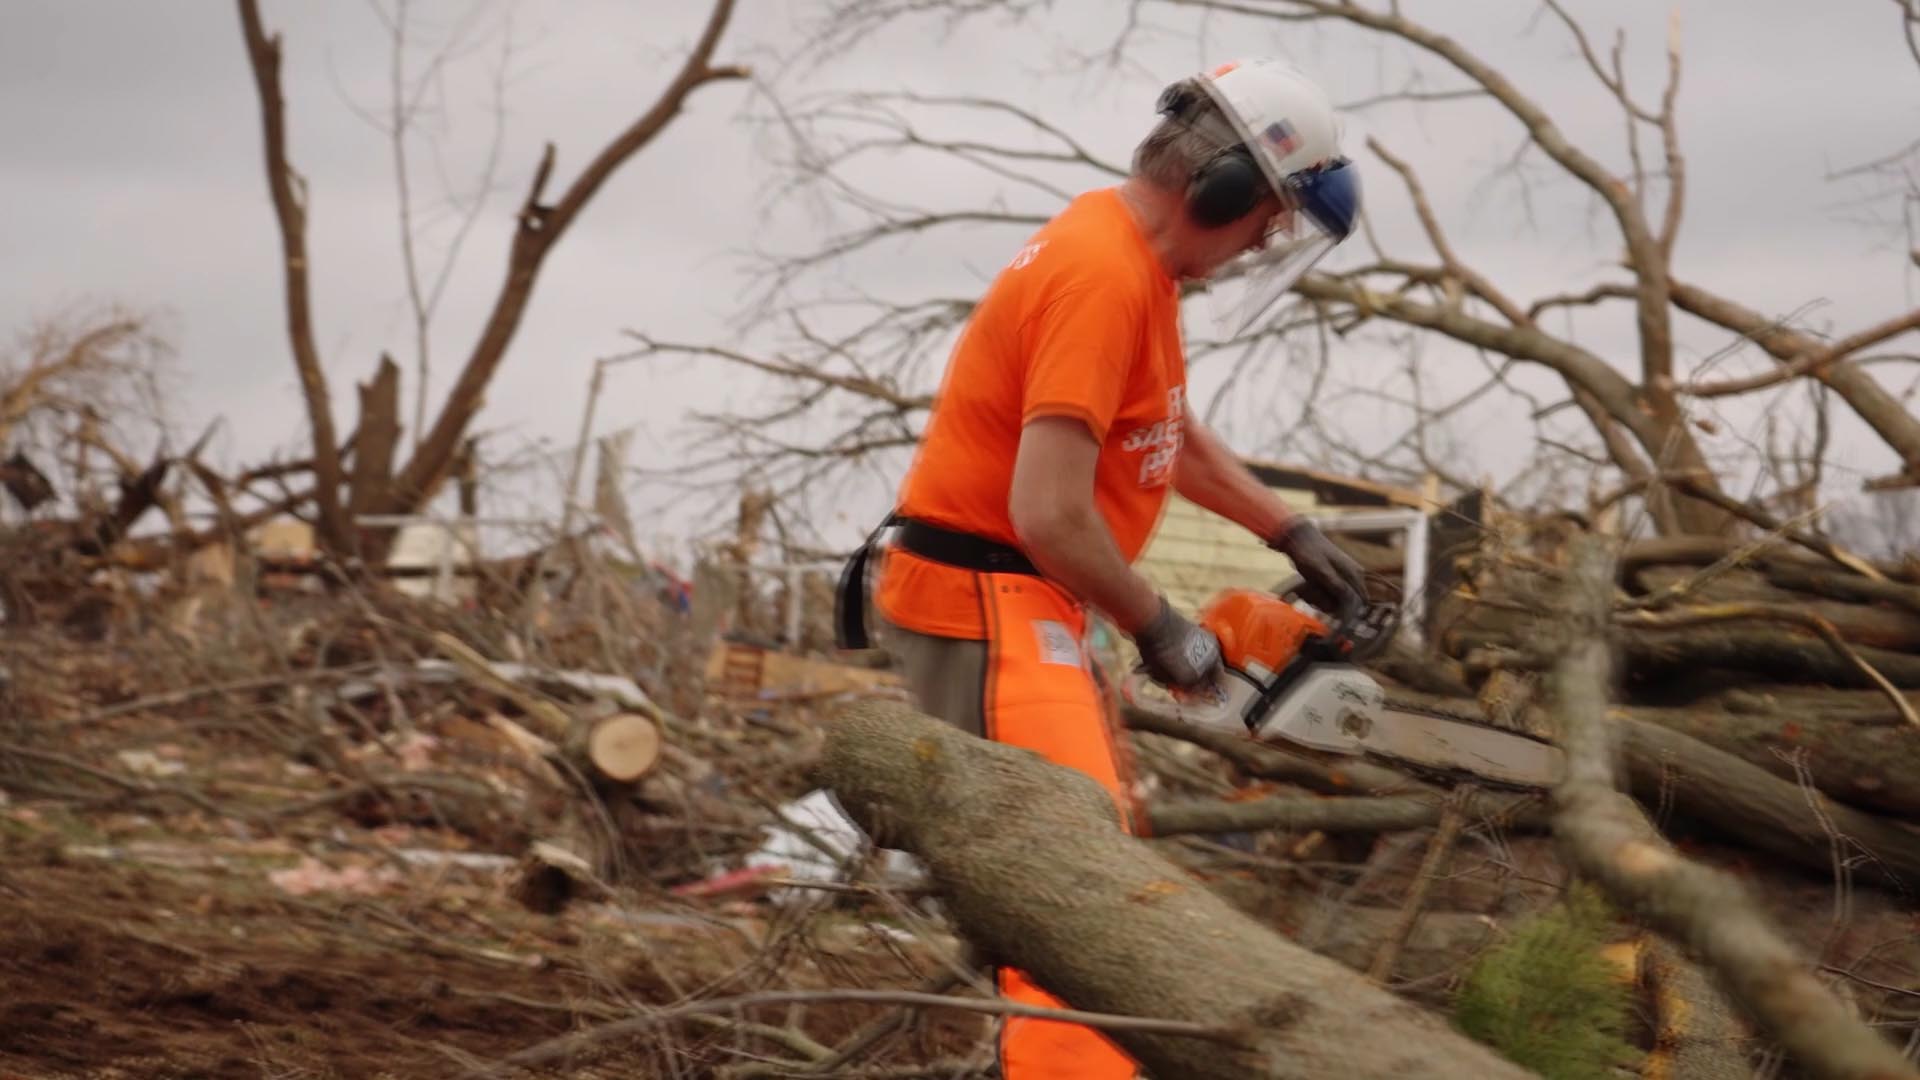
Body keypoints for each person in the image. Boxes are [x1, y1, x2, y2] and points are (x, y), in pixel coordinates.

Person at [833, 57, 1368, 1080]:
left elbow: (1161, 424)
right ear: (1224, 188)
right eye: (1266, 219)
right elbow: (1048, 511)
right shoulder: (1101, 275)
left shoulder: (1129, 259)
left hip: (1023, 596)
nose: (1261, 241)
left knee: (1088, 858)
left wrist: (1286, 530)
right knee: (1067, 886)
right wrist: (1161, 627)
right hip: (988, 596)